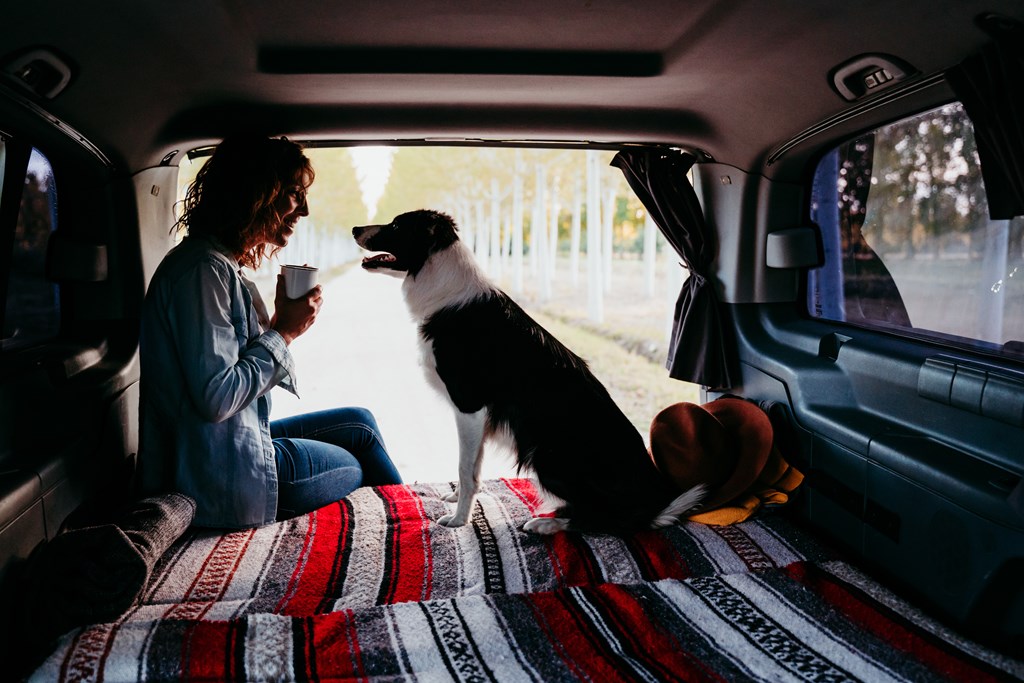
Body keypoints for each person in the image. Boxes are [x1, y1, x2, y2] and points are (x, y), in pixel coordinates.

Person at [138, 135, 402, 528]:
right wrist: (284, 332)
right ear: (256, 193)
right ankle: (409, 531)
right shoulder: (202, 272)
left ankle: (407, 522)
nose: (305, 210)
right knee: (356, 460)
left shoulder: (214, 264)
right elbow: (217, 397)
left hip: (220, 449)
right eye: (295, 194)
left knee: (359, 424)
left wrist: (279, 325)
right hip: (216, 480)